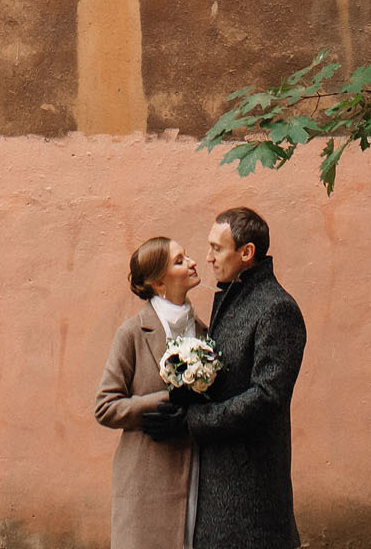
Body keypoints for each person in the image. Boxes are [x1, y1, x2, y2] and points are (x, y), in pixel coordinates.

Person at [142, 207, 306, 549]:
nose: (208, 258)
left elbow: (267, 397)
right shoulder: (233, 300)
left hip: (251, 491)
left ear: (246, 253)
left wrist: (193, 420)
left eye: (217, 248)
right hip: (218, 482)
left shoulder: (276, 308)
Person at [95, 235, 207, 549]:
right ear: (159, 282)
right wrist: (166, 399)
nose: (193, 262)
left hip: (195, 476)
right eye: (180, 260)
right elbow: (105, 406)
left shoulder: (203, 332)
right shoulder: (131, 333)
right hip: (145, 483)